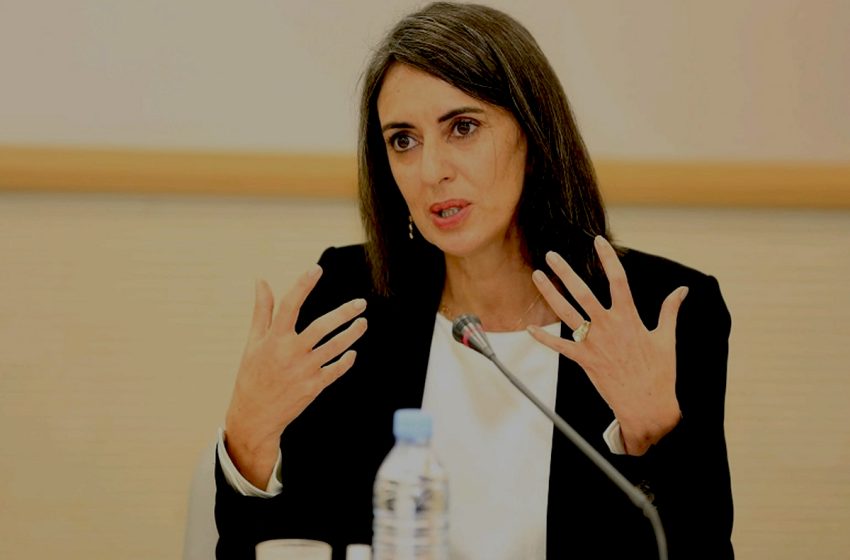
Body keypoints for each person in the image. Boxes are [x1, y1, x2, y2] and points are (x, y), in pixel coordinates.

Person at [214, 2, 734, 559]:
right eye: (403, 140)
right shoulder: (352, 303)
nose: (431, 170)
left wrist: (654, 434)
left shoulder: (656, 312)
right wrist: (248, 438)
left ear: (532, 137)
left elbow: (697, 549)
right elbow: (284, 545)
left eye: (462, 128)